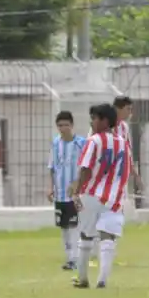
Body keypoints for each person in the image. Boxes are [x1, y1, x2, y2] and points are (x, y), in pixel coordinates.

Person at [72, 103, 132, 289]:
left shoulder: (94, 140)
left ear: (104, 120)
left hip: (91, 195)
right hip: (114, 198)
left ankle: (82, 279)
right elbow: (126, 171)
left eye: (95, 118)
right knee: (108, 237)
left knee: (86, 235)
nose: (92, 122)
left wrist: (76, 190)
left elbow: (86, 168)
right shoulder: (123, 143)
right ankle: (102, 280)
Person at [47, 111, 87, 270]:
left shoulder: (81, 143)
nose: (63, 128)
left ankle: (76, 258)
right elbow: (51, 167)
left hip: (77, 194)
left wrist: (77, 183)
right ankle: (70, 257)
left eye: (66, 125)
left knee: (75, 225)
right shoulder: (56, 143)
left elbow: (86, 167)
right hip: (60, 193)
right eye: (60, 125)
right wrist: (50, 187)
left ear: (72, 126)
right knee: (64, 227)